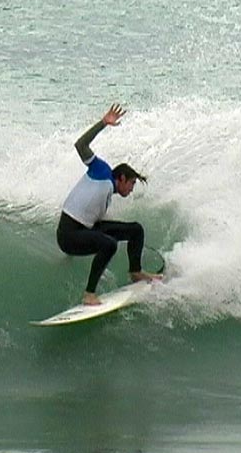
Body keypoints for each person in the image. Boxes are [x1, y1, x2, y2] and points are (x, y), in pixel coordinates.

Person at [57, 104, 162, 306]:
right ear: (121, 178)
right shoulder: (102, 171)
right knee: (109, 244)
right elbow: (80, 145)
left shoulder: (107, 192)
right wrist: (103, 123)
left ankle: (136, 272)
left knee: (135, 230)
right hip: (68, 235)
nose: (131, 189)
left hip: (82, 231)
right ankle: (89, 294)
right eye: (131, 183)